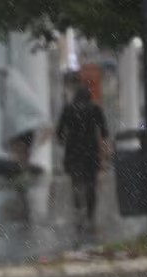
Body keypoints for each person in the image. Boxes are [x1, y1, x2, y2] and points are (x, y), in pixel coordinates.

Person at [56, 85, 110, 236]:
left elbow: (59, 132)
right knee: (91, 183)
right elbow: (104, 132)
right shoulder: (95, 109)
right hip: (91, 151)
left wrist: (64, 140)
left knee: (76, 182)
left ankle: (79, 208)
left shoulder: (68, 109)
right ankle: (90, 214)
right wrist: (105, 154)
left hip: (73, 151)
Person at [0, 66, 52, 172]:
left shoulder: (4, 84)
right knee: (25, 150)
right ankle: (23, 173)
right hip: (28, 126)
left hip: (21, 127)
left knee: (22, 150)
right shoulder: (14, 81)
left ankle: (22, 174)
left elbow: (9, 110)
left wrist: (6, 133)